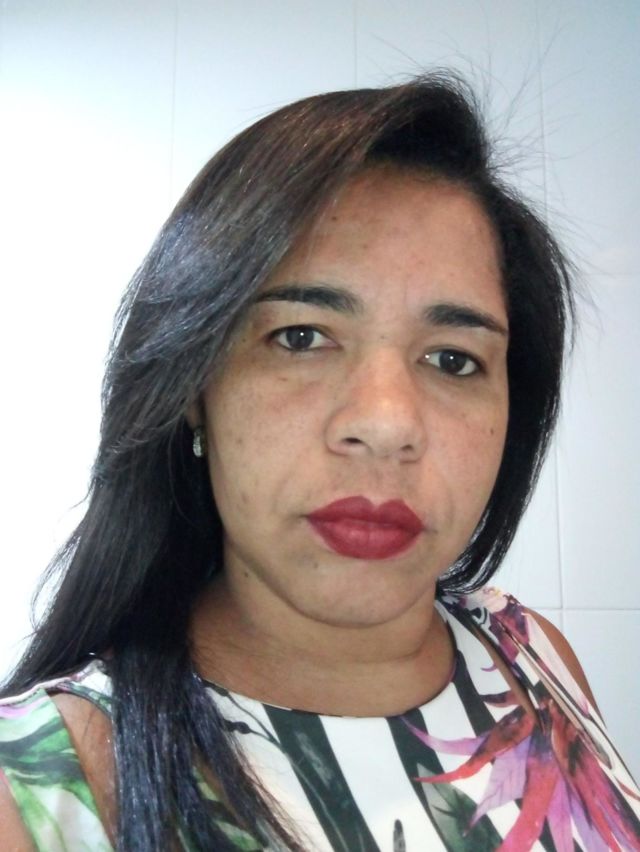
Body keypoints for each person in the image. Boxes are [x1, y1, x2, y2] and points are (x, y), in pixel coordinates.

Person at [1, 72, 639, 852]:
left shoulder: (533, 655)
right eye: (300, 337)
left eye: (453, 358)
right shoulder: (41, 792)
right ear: (196, 386)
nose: (386, 425)